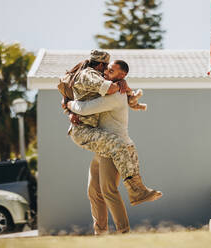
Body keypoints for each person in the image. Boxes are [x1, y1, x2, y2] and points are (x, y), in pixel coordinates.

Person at [67, 60, 160, 234]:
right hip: (103, 146)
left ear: (122, 75)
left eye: (111, 71)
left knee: (108, 190)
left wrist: (69, 105)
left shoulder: (115, 95)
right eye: (106, 70)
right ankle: (100, 232)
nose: (106, 73)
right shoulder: (106, 89)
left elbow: (85, 109)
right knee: (94, 192)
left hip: (115, 148)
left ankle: (123, 232)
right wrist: (72, 112)